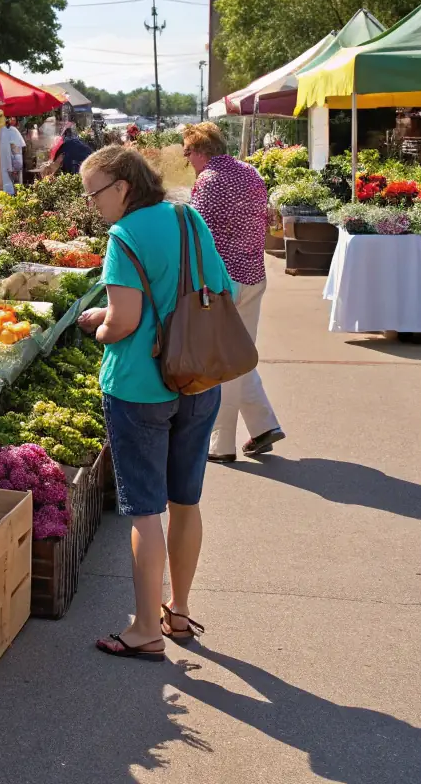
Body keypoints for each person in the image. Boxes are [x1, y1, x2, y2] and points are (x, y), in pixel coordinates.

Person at [77, 145, 233, 660]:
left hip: (141, 387)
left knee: (145, 512)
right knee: (185, 502)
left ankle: (144, 629)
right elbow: (216, 288)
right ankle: (178, 611)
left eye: (95, 191)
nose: (92, 203)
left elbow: (122, 322)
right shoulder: (188, 218)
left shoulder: (124, 234)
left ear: (122, 188)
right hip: (197, 377)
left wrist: (97, 328)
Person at [183, 122, 284, 462]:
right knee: (238, 355)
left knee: (221, 360)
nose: (187, 161)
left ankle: (220, 444)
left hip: (223, 281)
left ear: (199, 151)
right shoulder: (250, 172)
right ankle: (263, 424)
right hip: (254, 274)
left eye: (187, 153)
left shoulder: (208, 180)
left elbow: (198, 236)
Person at [0, 115, 26, 195]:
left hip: (4, 163)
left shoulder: (0, 132)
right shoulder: (13, 131)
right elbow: (17, 148)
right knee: (15, 185)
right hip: (13, 163)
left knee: (7, 181)